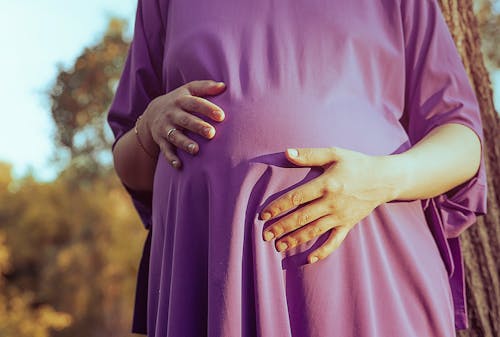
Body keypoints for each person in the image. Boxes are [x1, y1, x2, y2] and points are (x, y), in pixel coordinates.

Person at [107, 0, 488, 336]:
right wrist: (148, 125)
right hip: (211, 271)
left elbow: (462, 141)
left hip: (364, 270)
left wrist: (381, 180)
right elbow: (131, 168)